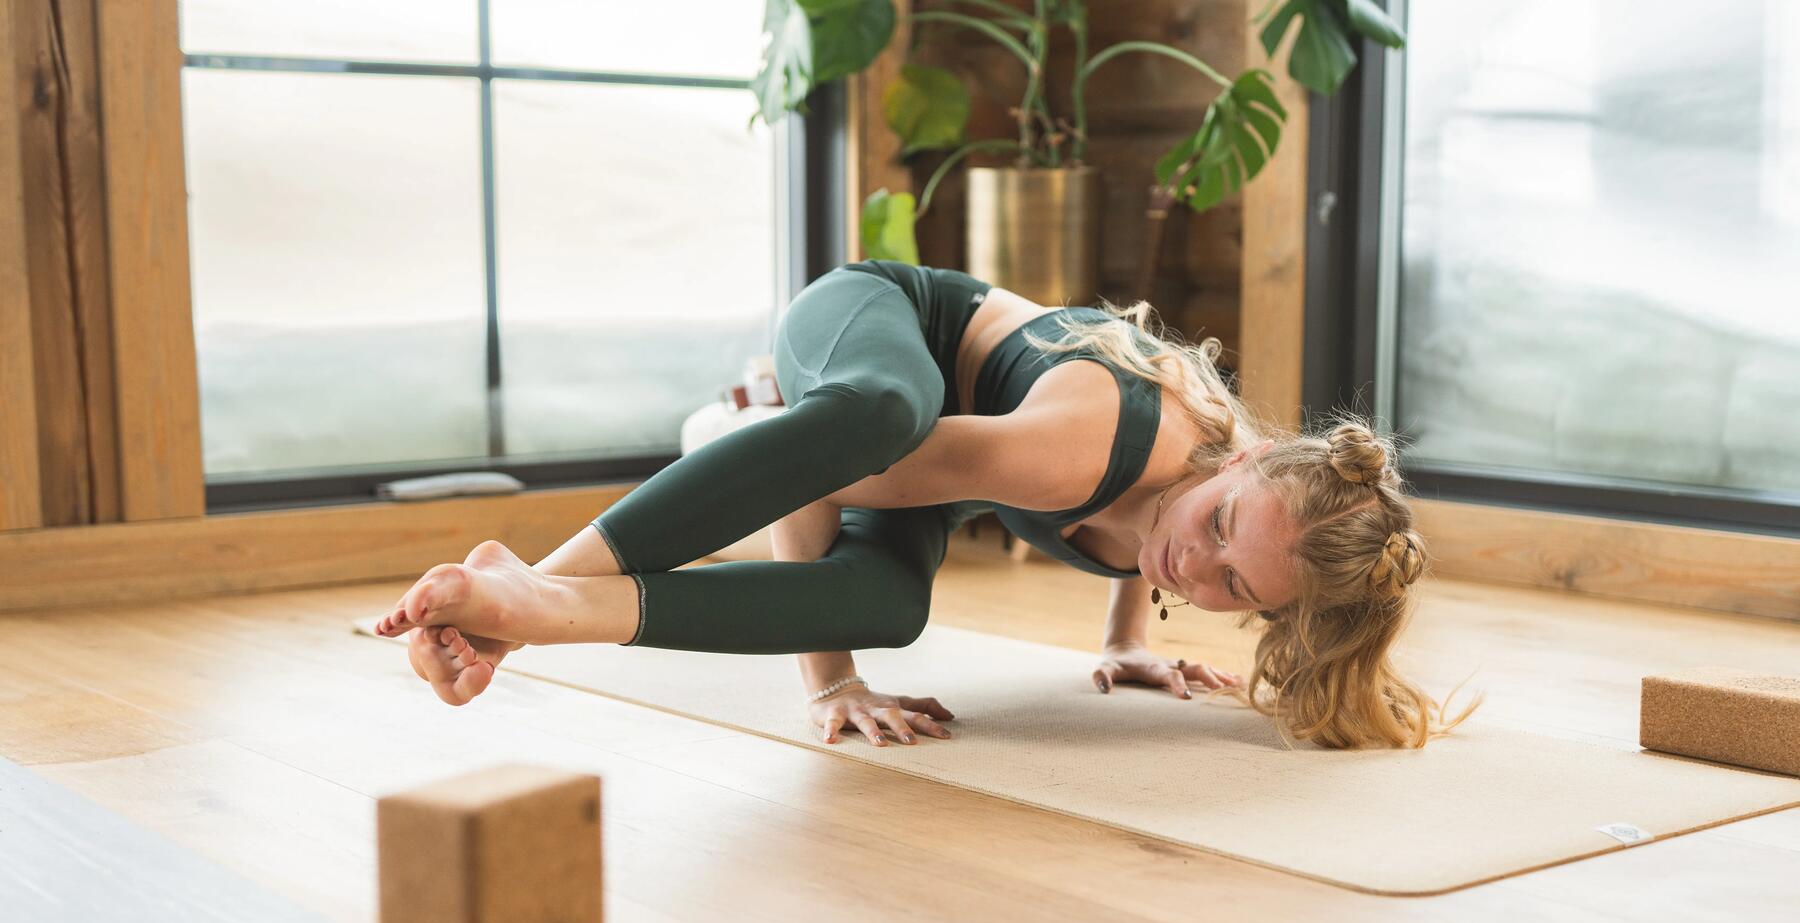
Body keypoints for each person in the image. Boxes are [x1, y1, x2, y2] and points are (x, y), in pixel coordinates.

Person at [373, 259, 1482, 750]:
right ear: (1249, 454)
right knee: (869, 418)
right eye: (1221, 531)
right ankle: (535, 586)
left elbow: (1158, 542)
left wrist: (1125, 636)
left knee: (889, 601)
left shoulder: (1208, 509)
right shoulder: (1081, 448)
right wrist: (832, 683)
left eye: (1238, 591)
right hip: (875, 324)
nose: (1200, 569)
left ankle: (526, 604)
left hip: (932, 453)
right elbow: (820, 470)